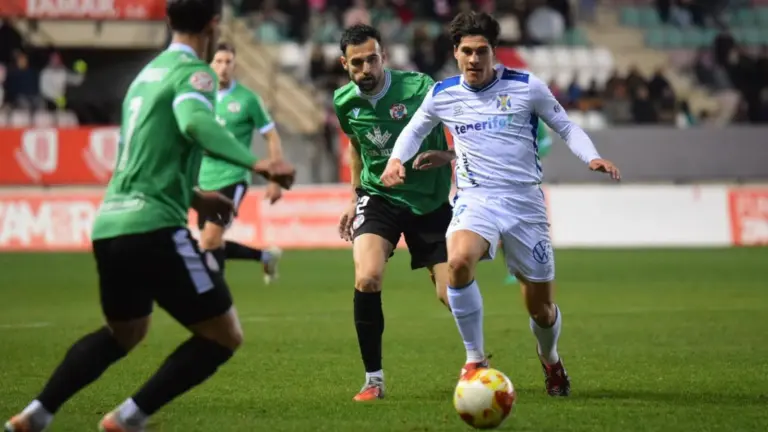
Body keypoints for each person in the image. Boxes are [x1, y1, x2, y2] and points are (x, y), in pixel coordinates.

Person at [3, 1, 295, 431]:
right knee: (223, 335)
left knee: (126, 332)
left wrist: (195, 198)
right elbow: (195, 122)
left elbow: (143, 155)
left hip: (111, 224)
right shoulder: (195, 73)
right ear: (214, 24)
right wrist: (258, 164)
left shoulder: (143, 77)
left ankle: (36, 414)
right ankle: (127, 418)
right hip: (154, 226)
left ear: (167, 20)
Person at [380, 11, 620, 397]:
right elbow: (414, 130)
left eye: (482, 51)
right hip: (476, 199)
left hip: (525, 204)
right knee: (457, 262)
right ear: (455, 54)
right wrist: (396, 160)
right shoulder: (444, 94)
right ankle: (475, 358)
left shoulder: (527, 87)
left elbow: (567, 126)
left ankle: (551, 359)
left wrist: (590, 157)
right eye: (466, 52)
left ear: (494, 51)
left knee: (540, 309)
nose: (474, 59)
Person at [333, 24, 454, 402]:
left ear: (383, 56)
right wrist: (356, 194)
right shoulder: (343, 102)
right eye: (358, 62)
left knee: (451, 293)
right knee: (367, 277)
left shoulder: (418, 88)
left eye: (373, 59)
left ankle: (477, 362)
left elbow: (462, 129)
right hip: (379, 196)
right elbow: (356, 145)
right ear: (344, 64)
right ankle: (374, 380)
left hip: (429, 202)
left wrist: (450, 159)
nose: (367, 68)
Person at [197, 42, 283, 284]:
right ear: (209, 65)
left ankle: (214, 299)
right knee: (208, 244)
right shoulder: (200, 98)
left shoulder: (247, 99)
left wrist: (275, 179)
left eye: (228, 62)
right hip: (203, 179)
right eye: (218, 61)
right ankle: (264, 256)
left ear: (235, 65)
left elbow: (272, 136)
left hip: (232, 178)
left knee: (210, 240)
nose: (223, 67)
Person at [504, 121, 552, 285]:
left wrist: (532, 153)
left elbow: (546, 142)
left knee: (526, 227)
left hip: (526, 181)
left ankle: (530, 265)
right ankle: (514, 268)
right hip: (501, 182)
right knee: (504, 229)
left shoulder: (532, 116)